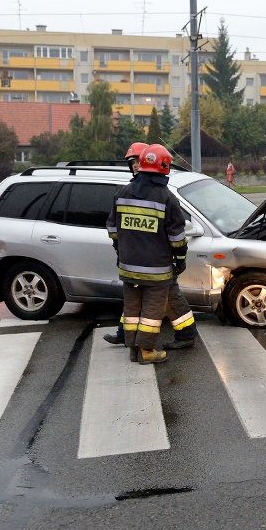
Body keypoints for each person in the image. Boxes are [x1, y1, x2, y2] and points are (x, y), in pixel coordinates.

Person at [106, 144, 189, 364]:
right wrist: (180, 261)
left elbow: (113, 229)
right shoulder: (166, 198)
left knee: (132, 310)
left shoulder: (121, 193)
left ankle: (133, 349)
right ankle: (146, 351)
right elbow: (177, 238)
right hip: (157, 270)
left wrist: (120, 251)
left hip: (128, 267)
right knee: (152, 312)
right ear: (164, 167)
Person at [104, 142, 147, 345]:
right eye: (133, 163)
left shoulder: (157, 190)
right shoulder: (124, 192)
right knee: (133, 299)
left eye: (139, 161)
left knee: (163, 301)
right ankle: (124, 334)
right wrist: (119, 247)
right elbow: (113, 225)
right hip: (133, 257)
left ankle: (185, 334)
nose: (136, 166)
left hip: (152, 258)